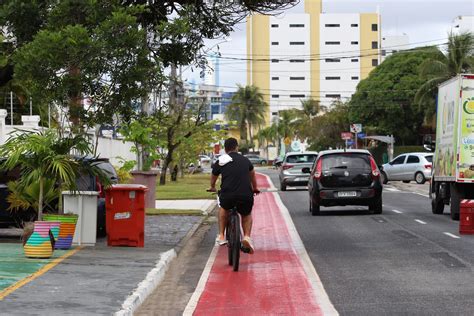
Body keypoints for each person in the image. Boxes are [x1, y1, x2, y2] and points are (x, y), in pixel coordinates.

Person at [208, 138, 259, 254]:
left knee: (223, 208)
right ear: (237, 147)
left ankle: (221, 235)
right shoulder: (245, 160)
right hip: (245, 195)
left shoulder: (221, 160)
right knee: (246, 214)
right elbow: (252, 175)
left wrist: (212, 186)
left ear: (225, 149)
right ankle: (246, 237)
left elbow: (214, 176)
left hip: (228, 194)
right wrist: (255, 188)